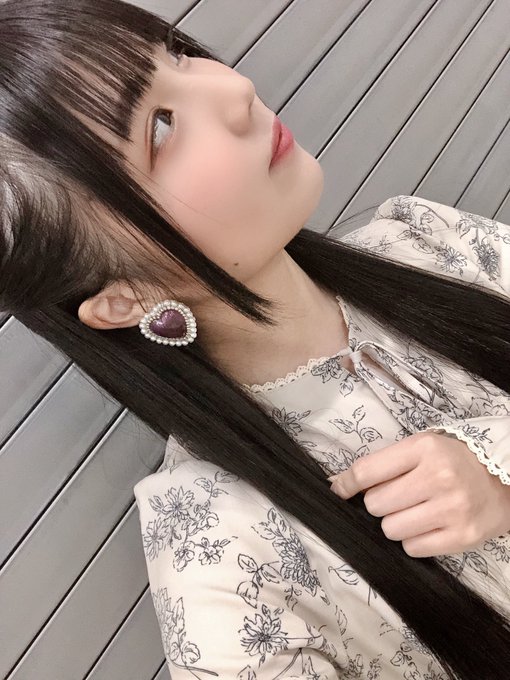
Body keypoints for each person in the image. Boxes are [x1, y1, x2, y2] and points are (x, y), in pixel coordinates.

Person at [0, 1, 509, 678]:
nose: (235, 87)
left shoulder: (425, 240)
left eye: (178, 53)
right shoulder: (220, 551)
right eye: (160, 127)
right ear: (127, 298)